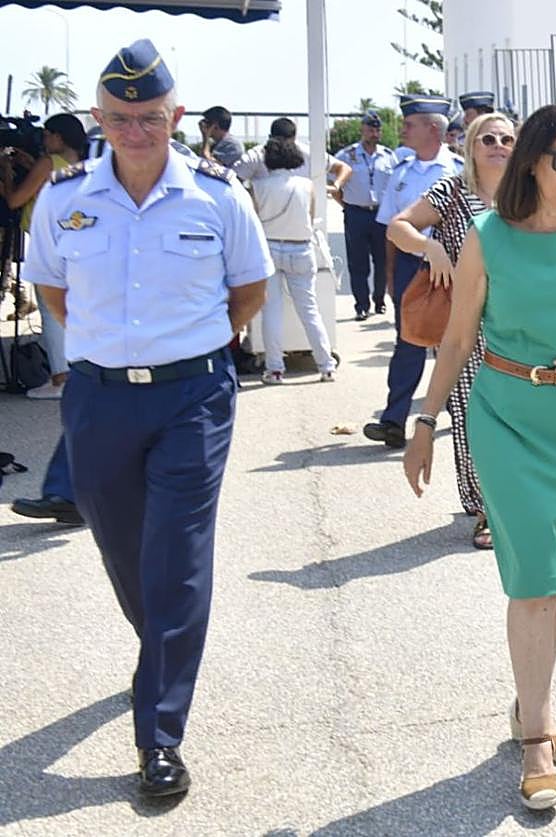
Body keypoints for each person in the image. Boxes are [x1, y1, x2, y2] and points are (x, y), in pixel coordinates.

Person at [24, 39, 273, 797]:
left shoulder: (218, 195)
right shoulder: (65, 199)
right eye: (123, 118)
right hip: (99, 398)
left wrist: (182, 348)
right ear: (100, 118)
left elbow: (249, 291)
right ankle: (160, 645)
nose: (138, 132)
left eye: (153, 118)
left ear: (178, 115)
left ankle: (159, 734)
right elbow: (56, 295)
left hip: (191, 396)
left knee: (176, 557)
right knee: (123, 546)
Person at [403, 104, 556, 810]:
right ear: (533, 160)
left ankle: (530, 700)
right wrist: (422, 420)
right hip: (506, 414)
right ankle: (536, 733)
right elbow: (455, 341)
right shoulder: (487, 236)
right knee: (534, 574)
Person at [387, 112, 515, 549]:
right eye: (489, 139)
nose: (499, 146)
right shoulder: (453, 191)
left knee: (517, 418)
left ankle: (517, 501)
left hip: (519, 323)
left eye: (507, 139)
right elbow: (399, 226)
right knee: (471, 418)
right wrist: (431, 246)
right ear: (472, 147)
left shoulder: (528, 194)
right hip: (464, 325)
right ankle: (484, 509)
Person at [361, 96, 462, 450]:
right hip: (411, 266)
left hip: (456, 264)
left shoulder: (460, 172)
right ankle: (393, 420)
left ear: (433, 129)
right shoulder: (400, 174)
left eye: (410, 123)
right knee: (409, 341)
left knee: (458, 340)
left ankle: (462, 410)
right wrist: (390, 276)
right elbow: (390, 227)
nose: (402, 129)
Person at [0, 113, 88, 400]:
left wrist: (6, 172)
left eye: (47, 134)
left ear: (58, 137)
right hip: (73, 239)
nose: (44, 138)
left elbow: (15, 200)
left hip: (47, 243)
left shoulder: (48, 162)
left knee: (49, 310)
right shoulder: (80, 165)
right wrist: (30, 164)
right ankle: (74, 371)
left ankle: (60, 378)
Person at [246, 118, 338, 384]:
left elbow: (254, 220)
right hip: (301, 249)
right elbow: (309, 219)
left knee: (271, 311)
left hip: (269, 248)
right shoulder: (306, 185)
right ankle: (326, 365)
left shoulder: (258, 186)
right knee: (309, 310)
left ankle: (275, 369)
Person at [332, 110, 396, 320]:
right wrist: (347, 205)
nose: (374, 133)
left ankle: (379, 300)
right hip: (356, 213)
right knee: (358, 262)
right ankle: (361, 304)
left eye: (377, 129)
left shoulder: (388, 156)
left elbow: (395, 186)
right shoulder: (346, 156)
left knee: (382, 260)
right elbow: (335, 186)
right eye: (370, 129)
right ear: (362, 130)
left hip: (380, 214)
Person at [232, 116, 351, 190]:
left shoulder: (308, 153)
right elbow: (234, 181)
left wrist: (335, 186)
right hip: (266, 219)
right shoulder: (255, 156)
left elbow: (343, 168)